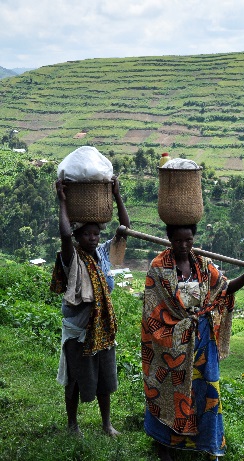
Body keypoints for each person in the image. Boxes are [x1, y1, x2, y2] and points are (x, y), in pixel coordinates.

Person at [141, 223, 244, 460]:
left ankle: (209, 444)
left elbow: (225, 289)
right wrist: (177, 329)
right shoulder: (158, 268)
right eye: (178, 241)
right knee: (170, 390)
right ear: (169, 240)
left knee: (206, 392)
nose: (184, 246)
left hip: (203, 340)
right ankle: (166, 444)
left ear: (193, 239)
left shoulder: (203, 266)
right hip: (171, 344)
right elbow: (152, 311)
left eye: (188, 240)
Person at [50, 175, 130, 437]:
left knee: (105, 380)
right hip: (79, 330)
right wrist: (62, 201)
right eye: (87, 234)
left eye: (96, 233)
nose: (93, 238)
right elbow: (63, 233)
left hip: (102, 328)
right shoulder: (71, 257)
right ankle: (72, 425)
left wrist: (117, 195)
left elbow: (124, 228)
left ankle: (106, 424)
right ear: (78, 236)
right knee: (74, 379)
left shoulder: (103, 254)